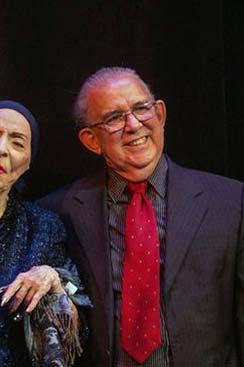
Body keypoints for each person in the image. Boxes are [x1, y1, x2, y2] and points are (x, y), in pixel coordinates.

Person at [39, 67, 244, 366]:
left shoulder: (230, 202)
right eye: (114, 118)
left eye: (141, 109)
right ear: (91, 140)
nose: (133, 125)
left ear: (159, 114)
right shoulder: (60, 211)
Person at [0, 100, 90, 367]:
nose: (0, 149)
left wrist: (55, 280)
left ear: (27, 164)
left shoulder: (43, 228)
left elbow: (78, 327)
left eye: (17, 143)